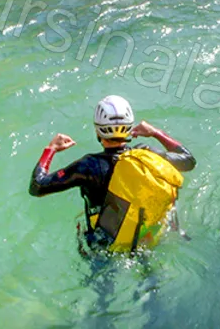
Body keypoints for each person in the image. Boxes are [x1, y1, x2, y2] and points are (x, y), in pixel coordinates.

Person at [29, 95, 195, 254]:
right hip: (143, 237)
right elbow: (188, 160)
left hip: (104, 245)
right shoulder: (146, 155)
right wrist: (155, 133)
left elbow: (37, 186)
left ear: (97, 130)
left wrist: (51, 149)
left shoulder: (89, 166)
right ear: (129, 127)